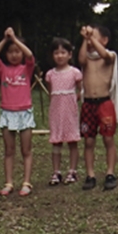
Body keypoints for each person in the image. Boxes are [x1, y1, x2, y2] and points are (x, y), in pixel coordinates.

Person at [0, 27, 35, 196]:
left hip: (24, 112)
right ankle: (9, 182)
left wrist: (15, 39)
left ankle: (26, 182)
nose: (15, 54)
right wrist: (5, 40)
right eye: (11, 52)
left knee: (26, 150)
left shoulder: (26, 69)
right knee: (9, 150)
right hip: (7, 113)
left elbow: (30, 55)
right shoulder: (3, 69)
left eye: (17, 51)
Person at [78, 24, 118, 192]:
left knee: (108, 138)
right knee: (88, 140)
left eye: (94, 36)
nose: (90, 39)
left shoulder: (110, 56)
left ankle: (110, 173)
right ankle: (90, 174)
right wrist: (84, 40)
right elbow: (80, 60)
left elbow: (104, 54)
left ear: (104, 40)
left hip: (104, 103)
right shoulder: (86, 57)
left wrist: (91, 39)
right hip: (88, 103)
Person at [44, 37, 82, 186]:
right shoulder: (50, 74)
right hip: (56, 112)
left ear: (70, 54)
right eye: (56, 53)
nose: (60, 56)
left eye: (63, 52)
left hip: (70, 111)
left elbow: (81, 90)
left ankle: (72, 171)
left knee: (72, 141)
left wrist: (73, 99)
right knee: (56, 142)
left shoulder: (75, 73)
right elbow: (51, 93)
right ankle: (56, 172)